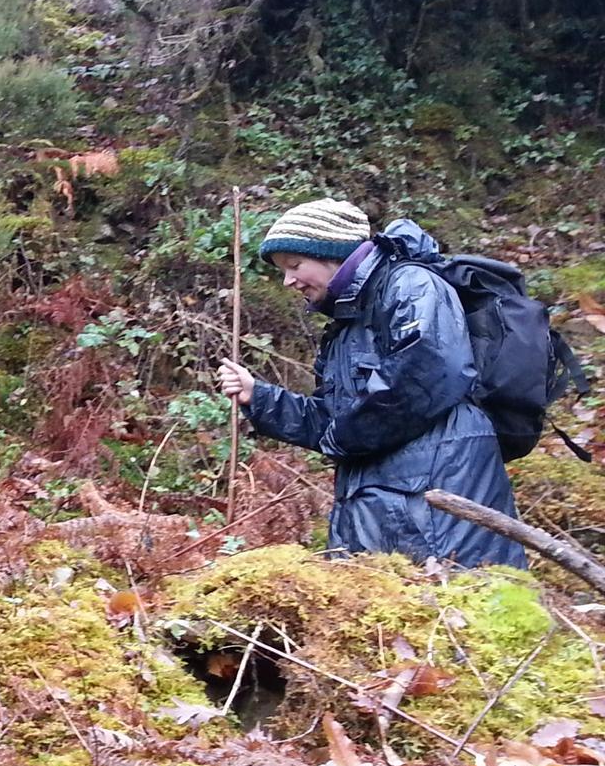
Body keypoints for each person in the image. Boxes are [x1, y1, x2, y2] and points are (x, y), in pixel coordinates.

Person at [215, 198, 525, 567]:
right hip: (390, 503)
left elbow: (424, 375)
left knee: (454, 611)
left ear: (332, 253)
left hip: (437, 497)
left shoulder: (410, 285)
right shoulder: (347, 325)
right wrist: (260, 398)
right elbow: (336, 421)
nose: (288, 281)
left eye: (295, 265)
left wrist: (341, 439)